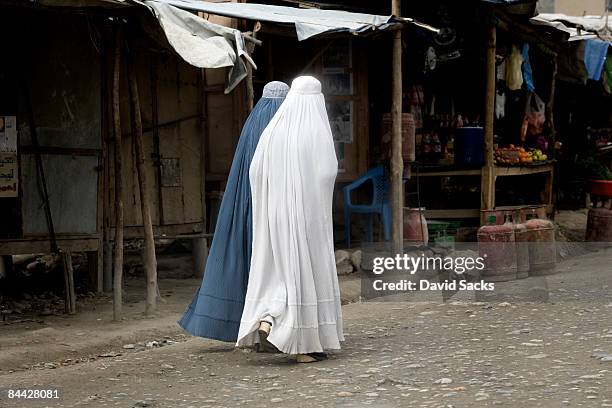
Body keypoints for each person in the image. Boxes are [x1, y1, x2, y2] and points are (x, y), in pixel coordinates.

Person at [236, 76, 344, 363]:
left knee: (280, 271)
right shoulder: (314, 131)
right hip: (307, 218)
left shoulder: (274, 130)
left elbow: (255, 171)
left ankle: (269, 318)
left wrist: (272, 201)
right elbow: (326, 172)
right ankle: (303, 347)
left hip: (275, 217)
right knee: (304, 273)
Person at [178, 81, 290, 342]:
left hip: (247, 207)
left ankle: (248, 328)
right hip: (271, 210)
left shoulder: (252, 123)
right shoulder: (281, 122)